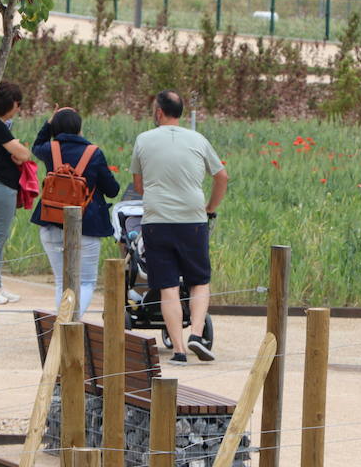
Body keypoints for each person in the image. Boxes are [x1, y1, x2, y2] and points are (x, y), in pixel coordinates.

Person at [129, 90, 229, 364]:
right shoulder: (198, 139)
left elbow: (138, 186)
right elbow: (222, 176)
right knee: (199, 280)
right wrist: (210, 207)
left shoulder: (144, 140)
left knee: (168, 286)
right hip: (192, 219)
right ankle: (196, 333)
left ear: (158, 112)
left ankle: (179, 351)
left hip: (157, 220)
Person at [29, 107, 120, 319]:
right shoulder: (93, 153)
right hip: (86, 226)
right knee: (85, 281)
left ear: (55, 128)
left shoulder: (50, 150)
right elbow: (112, 190)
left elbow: (35, 146)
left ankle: (63, 323)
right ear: (79, 127)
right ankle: (68, 324)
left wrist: (48, 124)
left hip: (51, 221)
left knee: (62, 281)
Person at [0, 80, 35, 305]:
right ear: (11, 104)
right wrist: (19, 152)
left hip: (3, 185)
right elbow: (23, 154)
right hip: (0, 185)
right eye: (18, 103)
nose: (19, 108)